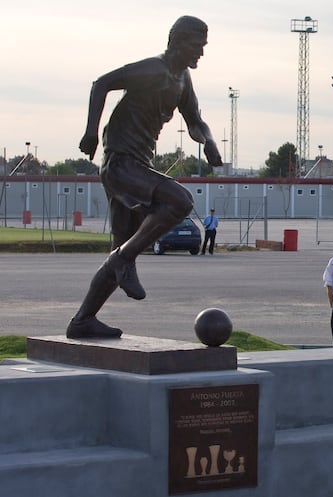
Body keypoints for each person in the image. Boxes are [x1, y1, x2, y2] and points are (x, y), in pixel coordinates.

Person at [66, 16, 222, 339]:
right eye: (197, 46)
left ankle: (83, 320)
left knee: (119, 253)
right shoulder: (154, 70)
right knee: (180, 201)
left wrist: (208, 141)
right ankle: (125, 257)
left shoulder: (182, 80)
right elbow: (102, 84)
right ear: (178, 42)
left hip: (135, 165)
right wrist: (91, 132)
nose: (201, 54)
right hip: (120, 163)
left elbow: (195, 120)